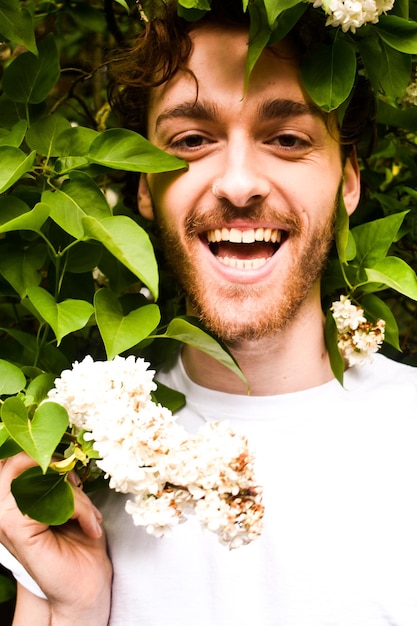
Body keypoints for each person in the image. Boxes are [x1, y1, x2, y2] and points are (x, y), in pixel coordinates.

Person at [1, 1, 417, 624]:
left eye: (287, 139)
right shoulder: (73, 464)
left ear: (348, 183)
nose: (239, 182)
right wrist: (75, 606)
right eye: (192, 141)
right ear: (144, 186)